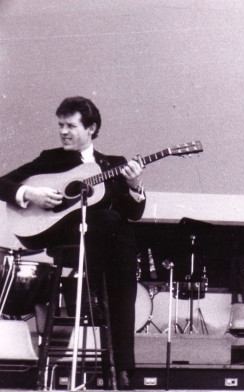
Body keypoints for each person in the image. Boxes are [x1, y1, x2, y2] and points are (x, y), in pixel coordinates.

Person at [0, 96, 145, 389]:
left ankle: (122, 364)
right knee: (113, 224)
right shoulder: (50, 159)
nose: (63, 132)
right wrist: (31, 195)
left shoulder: (113, 164)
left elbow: (135, 212)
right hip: (61, 237)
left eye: (71, 126)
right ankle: (122, 364)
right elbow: (3, 183)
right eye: (60, 125)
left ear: (91, 129)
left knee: (118, 227)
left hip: (104, 247)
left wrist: (134, 186)